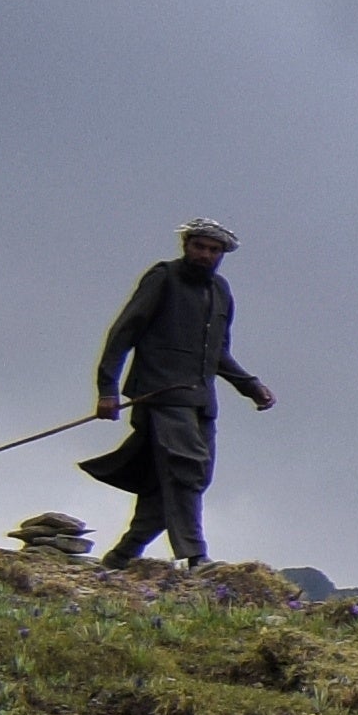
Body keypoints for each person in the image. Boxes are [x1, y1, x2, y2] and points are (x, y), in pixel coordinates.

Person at [82, 218, 274, 568]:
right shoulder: (163, 278)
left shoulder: (221, 292)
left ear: (221, 255)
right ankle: (196, 556)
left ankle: (121, 557)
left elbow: (217, 352)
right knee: (187, 470)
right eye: (199, 246)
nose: (205, 254)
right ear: (186, 246)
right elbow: (123, 332)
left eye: (213, 250)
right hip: (160, 394)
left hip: (200, 403)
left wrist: (250, 386)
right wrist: (107, 389)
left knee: (173, 481)